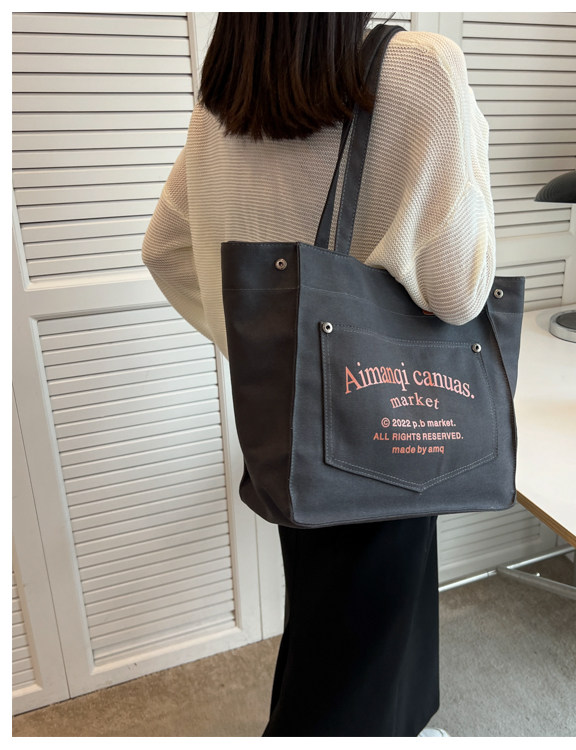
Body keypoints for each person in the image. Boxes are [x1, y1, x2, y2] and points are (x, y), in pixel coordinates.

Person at [142, 12, 495, 737]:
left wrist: (272, 355)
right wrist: (473, 147)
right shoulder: (421, 68)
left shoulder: (229, 91)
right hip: (390, 427)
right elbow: (459, 291)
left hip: (289, 429)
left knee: (325, 627)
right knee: (358, 663)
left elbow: (166, 249)